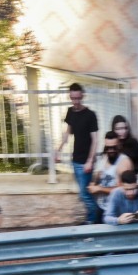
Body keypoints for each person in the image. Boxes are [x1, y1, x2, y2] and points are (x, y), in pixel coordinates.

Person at [55, 83, 100, 223]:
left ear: (83, 96)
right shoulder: (70, 112)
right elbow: (67, 133)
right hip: (76, 160)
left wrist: (90, 160)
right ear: (70, 97)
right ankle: (93, 217)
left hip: (86, 161)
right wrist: (59, 150)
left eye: (78, 98)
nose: (76, 101)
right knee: (84, 194)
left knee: (85, 194)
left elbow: (95, 140)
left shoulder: (90, 115)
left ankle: (95, 218)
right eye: (73, 98)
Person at [88, 131, 134, 217]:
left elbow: (123, 189)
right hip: (101, 207)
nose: (111, 150)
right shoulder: (105, 157)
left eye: (114, 147)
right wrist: (94, 182)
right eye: (108, 147)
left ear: (119, 145)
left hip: (116, 211)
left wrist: (99, 189)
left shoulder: (123, 162)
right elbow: (99, 173)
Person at [110, 114, 138, 186]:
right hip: (115, 182)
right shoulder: (111, 144)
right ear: (113, 129)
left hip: (132, 182)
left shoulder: (133, 143)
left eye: (125, 128)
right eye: (119, 129)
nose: (123, 131)